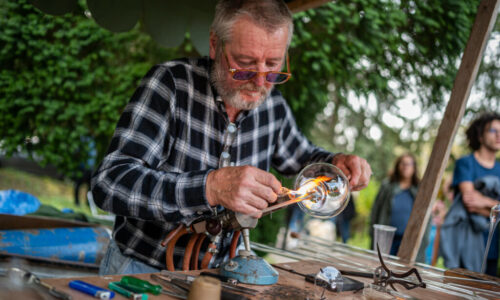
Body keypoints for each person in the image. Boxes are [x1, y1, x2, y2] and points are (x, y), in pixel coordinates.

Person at [91, 0, 372, 275]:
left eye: (273, 65)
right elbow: (110, 183)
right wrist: (210, 187)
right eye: (246, 64)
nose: (260, 83)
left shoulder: (273, 107)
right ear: (215, 45)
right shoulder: (171, 86)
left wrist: (336, 163)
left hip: (222, 277)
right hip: (141, 271)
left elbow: (301, 159)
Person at [440, 113, 500, 276]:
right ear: (480, 136)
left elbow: (481, 204)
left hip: (492, 246)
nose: (498, 135)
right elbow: (470, 202)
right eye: (493, 131)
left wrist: (484, 201)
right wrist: (495, 207)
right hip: (465, 245)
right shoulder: (465, 163)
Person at [370, 153, 429, 262]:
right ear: (398, 166)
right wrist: (372, 233)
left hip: (408, 240)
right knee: (383, 265)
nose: (406, 166)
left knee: (404, 271)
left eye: (409, 164)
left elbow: (426, 216)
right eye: (403, 163)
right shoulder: (387, 186)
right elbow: (376, 210)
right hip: (387, 238)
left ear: (414, 167)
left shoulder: (420, 189)